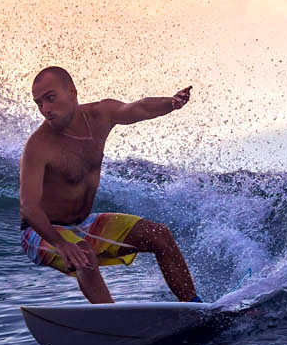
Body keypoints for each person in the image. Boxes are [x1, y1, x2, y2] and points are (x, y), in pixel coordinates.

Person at [19, 65, 200, 304]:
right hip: (42, 233)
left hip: (82, 224)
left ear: (71, 92)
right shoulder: (38, 146)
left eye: (50, 99)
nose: (45, 110)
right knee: (81, 253)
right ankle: (113, 324)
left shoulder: (100, 115)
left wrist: (172, 103)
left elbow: (138, 107)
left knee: (159, 235)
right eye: (39, 103)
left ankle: (194, 307)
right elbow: (29, 207)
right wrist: (61, 244)